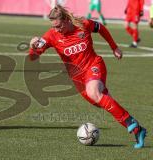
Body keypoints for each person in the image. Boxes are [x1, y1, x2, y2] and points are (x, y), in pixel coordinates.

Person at [28, 5, 146, 149]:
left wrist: (114, 47)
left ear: (66, 20)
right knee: (100, 101)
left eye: (58, 26)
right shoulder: (51, 36)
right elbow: (33, 58)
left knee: (93, 92)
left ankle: (131, 124)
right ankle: (138, 130)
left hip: (94, 65)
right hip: (78, 78)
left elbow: (101, 28)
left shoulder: (83, 24)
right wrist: (32, 47)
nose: (56, 29)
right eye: (54, 27)